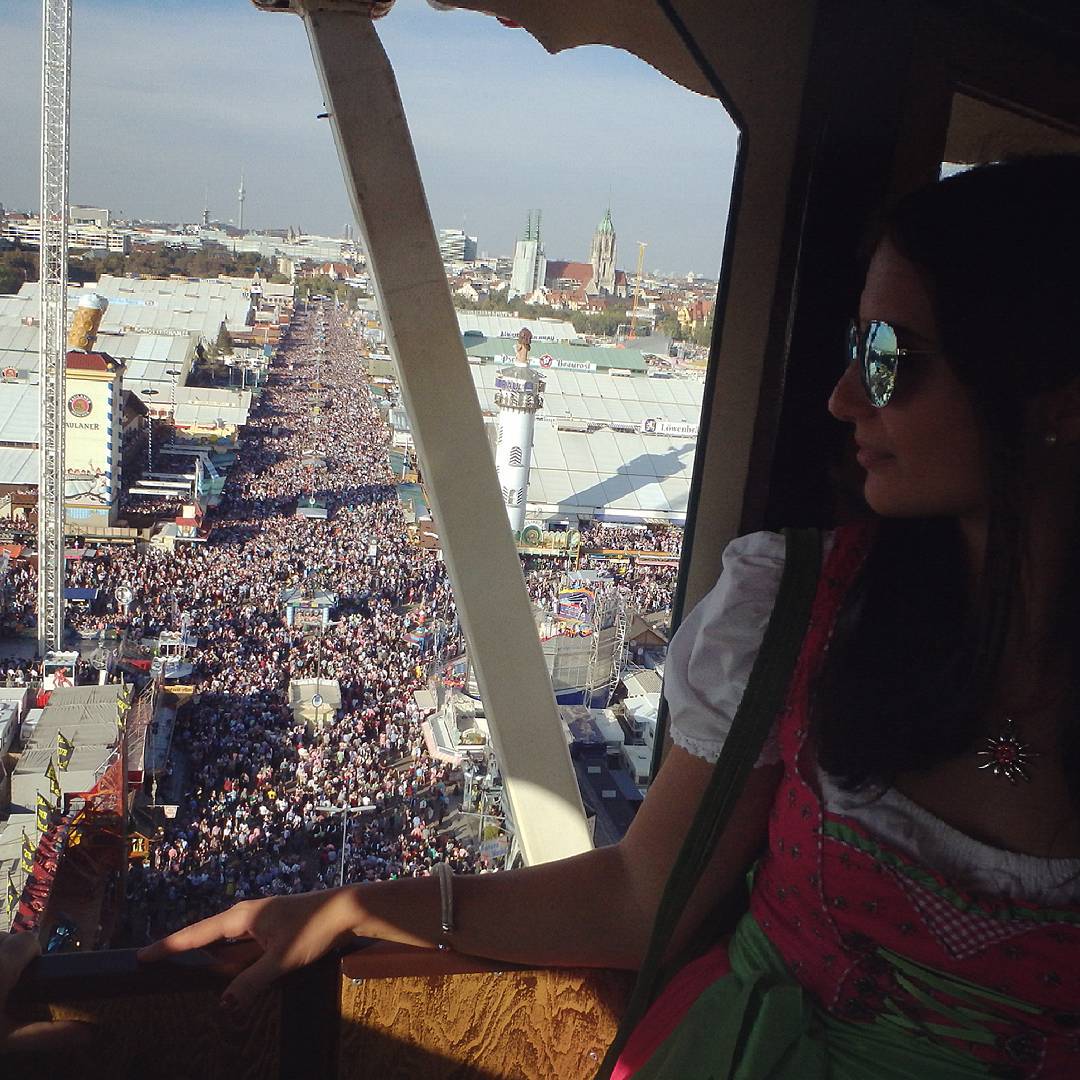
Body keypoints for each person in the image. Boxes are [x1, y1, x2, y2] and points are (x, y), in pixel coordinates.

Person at [141, 156, 1080, 1077]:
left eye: (890, 360)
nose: (842, 398)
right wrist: (362, 904)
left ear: (1055, 400)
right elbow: (644, 889)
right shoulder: (798, 615)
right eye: (852, 350)